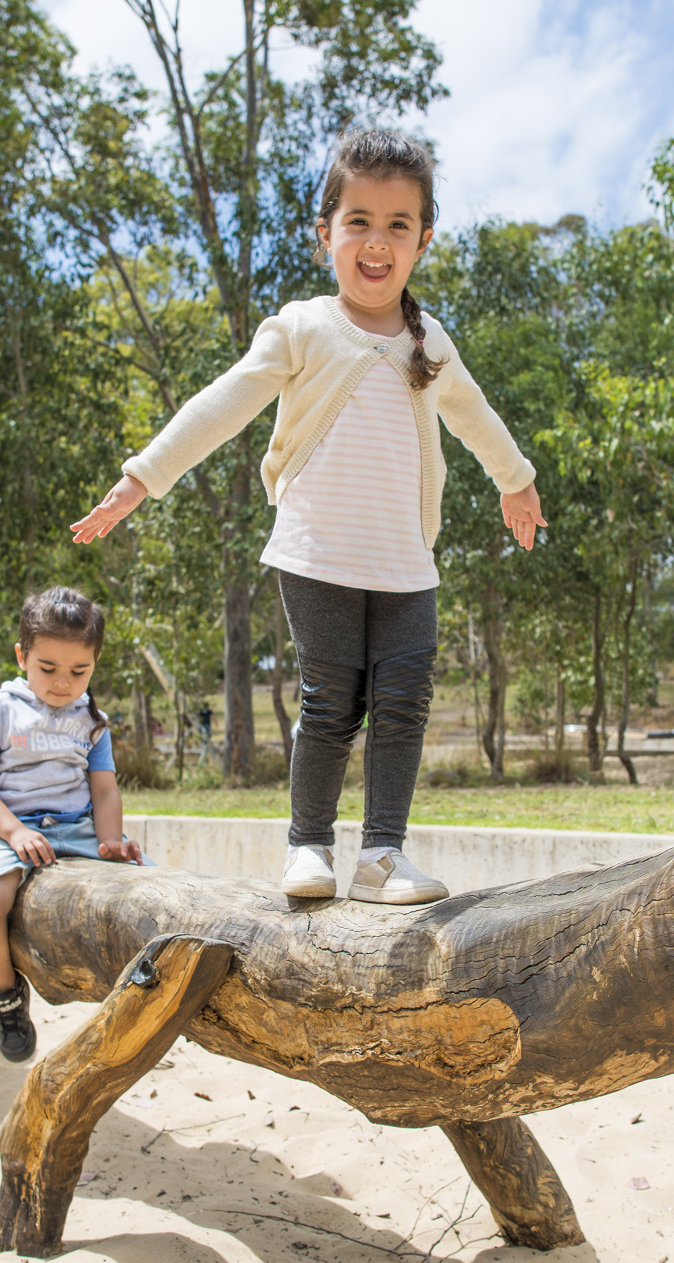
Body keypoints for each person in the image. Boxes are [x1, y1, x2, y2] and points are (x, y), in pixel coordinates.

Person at [71, 127, 544, 906]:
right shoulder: (302, 326)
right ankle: (309, 848)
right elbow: (220, 404)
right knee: (331, 700)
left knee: (403, 699)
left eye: (398, 225)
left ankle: (383, 855)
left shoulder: (430, 341)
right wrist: (141, 477)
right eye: (358, 220)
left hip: (404, 560)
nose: (376, 242)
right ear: (325, 230)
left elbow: (477, 415)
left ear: (423, 239)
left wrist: (515, 480)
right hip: (317, 552)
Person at [0, 587, 143, 1061]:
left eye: (78, 671)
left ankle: (144, 1001)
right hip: (14, 829)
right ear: (22, 656)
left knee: (147, 889)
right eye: (48, 668)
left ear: (95, 664)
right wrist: (14, 832)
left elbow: (103, 789)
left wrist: (110, 842)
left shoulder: (92, 720)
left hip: (78, 828)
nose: (63, 682)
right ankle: (6, 998)